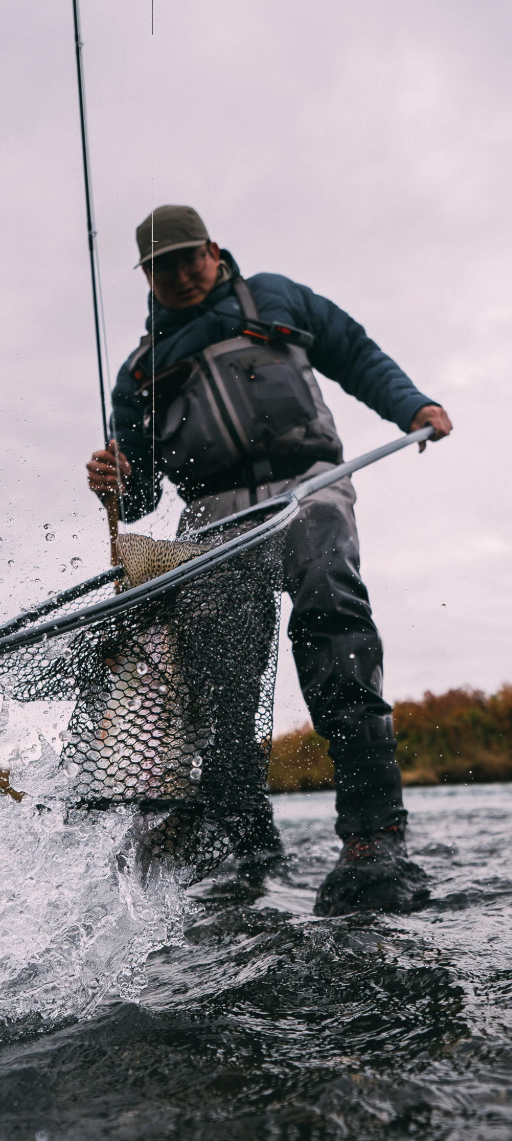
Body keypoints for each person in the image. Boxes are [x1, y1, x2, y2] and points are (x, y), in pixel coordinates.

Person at [86, 205, 452, 915]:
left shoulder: (277, 297)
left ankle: (373, 837)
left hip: (310, 486)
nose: (182, 274)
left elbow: (354, 351)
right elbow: (135, 501)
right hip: (214, 517)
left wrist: (413, 404)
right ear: (146, 278)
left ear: (214, 249)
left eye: (190, 257)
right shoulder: (139, 373)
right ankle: (244, 843)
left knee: (333, 623)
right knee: (225, 677)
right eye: (164, 267)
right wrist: (114, 479)